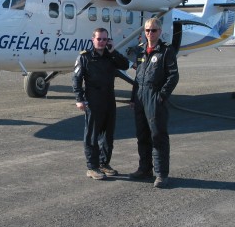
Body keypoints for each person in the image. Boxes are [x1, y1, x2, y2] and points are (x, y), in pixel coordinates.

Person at [72, 27, 130, 180]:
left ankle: (104, 163)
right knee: (92, 134)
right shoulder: (84, 57)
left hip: (109, 98)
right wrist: (79, 99)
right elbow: (76, 79)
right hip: (93, 99)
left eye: (105, 39)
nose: (102, 42)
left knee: (108, 135)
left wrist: (113, 51)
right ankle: (92, 166)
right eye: (99, 39)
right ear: (93, 39)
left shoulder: (110, 56)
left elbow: (125, 65)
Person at [129, 18, 179, 189]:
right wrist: (132, 98)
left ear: (160, 31)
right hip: (140, 97)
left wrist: (162, 96)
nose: (150, 33)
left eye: (154, 30)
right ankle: (144, 169)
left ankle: (161, 174)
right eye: (148, 30)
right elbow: (138, 78)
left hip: (154, 96)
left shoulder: (165, 51)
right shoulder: (141, 52)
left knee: (158, 136)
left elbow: (173, 76)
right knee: (142, 136)